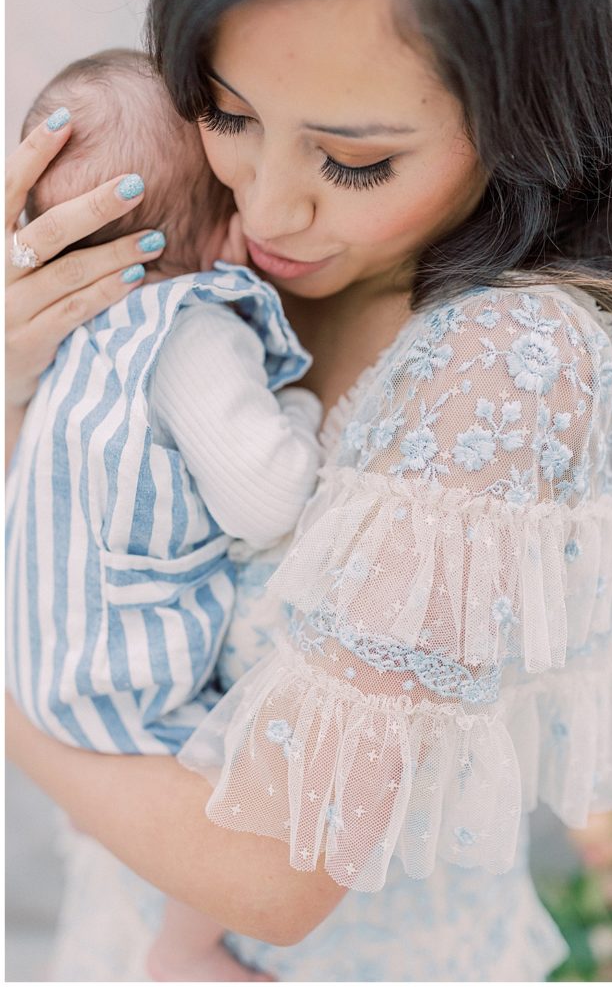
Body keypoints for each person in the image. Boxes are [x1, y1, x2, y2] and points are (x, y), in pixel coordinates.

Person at [5, 0, 612, 982]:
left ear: (524, 119)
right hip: (125, 921)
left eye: (353, 158)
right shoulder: (192, 263)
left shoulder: (499, 363)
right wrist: (22, 384)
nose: (266, 206)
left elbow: (278, 872)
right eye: (225, 113)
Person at [8, 47, 324, 981]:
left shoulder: (69, 331)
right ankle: (184, 951)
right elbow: (267, 498)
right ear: (224, 227)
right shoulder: (191, 330)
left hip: (46, 649)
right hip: (123, 677)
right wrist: (301, 417)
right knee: (232, 782)